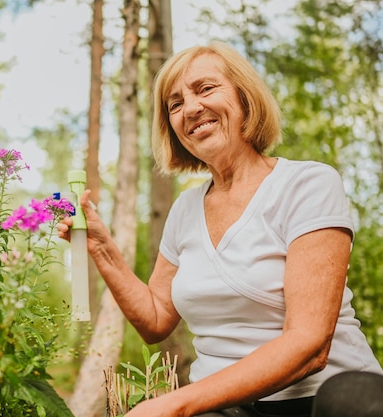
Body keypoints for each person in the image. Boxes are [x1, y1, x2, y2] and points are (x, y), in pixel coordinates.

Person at [57, 41, 383, 417]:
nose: (191, 109)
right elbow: (156, 320)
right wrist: (101, 247)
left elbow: (309, 344)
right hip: (225, 406)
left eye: (205, 89)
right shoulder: (184, 210)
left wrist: (175, 404)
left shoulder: (307, 184)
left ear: (245, 97)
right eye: (175, 104)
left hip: (327, 399)